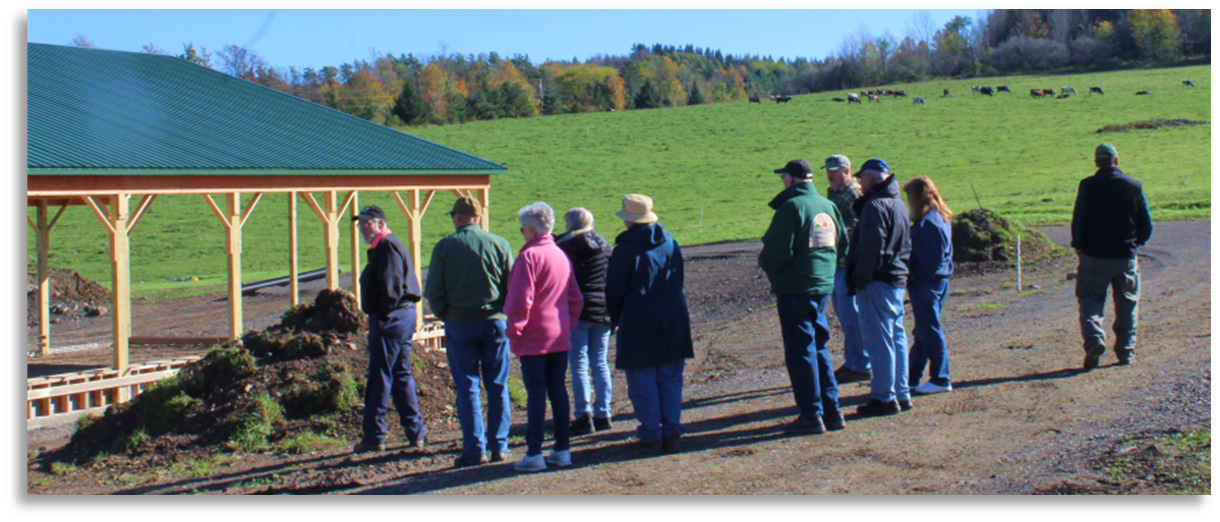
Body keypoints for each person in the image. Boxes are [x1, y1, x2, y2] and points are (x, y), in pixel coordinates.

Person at [758, 160, 850, 434]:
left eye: (783, 177)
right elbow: (842, 245)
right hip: (822, 286)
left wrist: (772, 270)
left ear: (791, 179)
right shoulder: (827, 205)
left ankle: (811, 415)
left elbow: (774, 254)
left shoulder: (791, 208)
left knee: (801, 352)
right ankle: (832, 411)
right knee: (819, 347)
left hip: (795, 288)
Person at [423, 197, 515, 468]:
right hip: (495, 322)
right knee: (498, 385)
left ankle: (475, 449)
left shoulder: (445, 246)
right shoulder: (500, 244)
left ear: (458, 217)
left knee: (467, 388)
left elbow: (434, 292)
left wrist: (445, 314)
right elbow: (511, 284)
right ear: (478, 217)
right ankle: (499, 445)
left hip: (460, 322)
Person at [606, 194, 694, 456]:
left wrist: (616, 317)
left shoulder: (624, 250)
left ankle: (651, 435)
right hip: (673, 318)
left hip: (638, 320)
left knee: (642, 380)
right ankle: (672, 433)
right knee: (670, 378)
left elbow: (615, 290)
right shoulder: (670, 243)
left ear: (629, 220)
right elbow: (678, 280)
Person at [504, 202, 584, 472]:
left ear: (533, 229)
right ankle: (562, 448)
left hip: (534, 337)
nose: (521, 233)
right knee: (559, 390)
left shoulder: (528, 258)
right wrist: (568, 323)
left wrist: (515, 330)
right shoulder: (561, 255)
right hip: (559, 335)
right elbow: (576, 298)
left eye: (523, 229)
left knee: (536, 394)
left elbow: (519, 301)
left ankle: (534, 452)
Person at [351, 205, 426, 454]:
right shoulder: (384, 246)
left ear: (381, 224)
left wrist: (383, 316)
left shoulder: (386, 246)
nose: (363, 227)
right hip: (401, 315)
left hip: (391, 317)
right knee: (400, 373)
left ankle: (374, 435)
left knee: (380, 375)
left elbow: (391, 285)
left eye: (368, 223)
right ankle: (415, 433)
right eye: (360, 223)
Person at [1071, 143, 1153, 370]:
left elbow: (1079, 218)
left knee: (1090, 299)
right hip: (1125, 255)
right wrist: (1138, 242)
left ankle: (1095, 340)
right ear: (1117, 160)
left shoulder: (1087, 185)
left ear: (1097, 162)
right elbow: (1146, 223)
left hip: (1094, 256)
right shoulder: (1133, 185)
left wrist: (1078, 245)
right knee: (1127, 303)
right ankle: (1126, 353)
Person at [845, 159, 913, 418]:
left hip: (877, 282)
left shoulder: (874, 206)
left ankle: (884, 397)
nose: (859, 184)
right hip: (896, 279)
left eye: (862, 179)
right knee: (896, 336)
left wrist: (860, 278)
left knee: (879, 340)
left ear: (871, 179)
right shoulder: (898, 204)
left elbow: (872, 248)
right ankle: (900, 391)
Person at [555, 208, 616, 436]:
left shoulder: (564, 248)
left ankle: (583, 414)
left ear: (570, 223)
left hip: (577, 311)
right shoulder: (604, 246)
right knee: (600, 361)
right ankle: (604, 412)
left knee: (578, 362)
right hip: (602, 310)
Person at [903, 177, 955, 396]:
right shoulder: (940, 217)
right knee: (924, 331)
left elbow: (929, 263)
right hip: (937, 282)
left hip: (927, 284)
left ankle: (941, 378)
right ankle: (912, 377)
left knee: (929, 330)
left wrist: (912, 275)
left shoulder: (928, 224)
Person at [823, 154, 870, 385]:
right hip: (837, 262)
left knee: (851, 315)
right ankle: (854, 360)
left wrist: (833, 233)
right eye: (828, 170)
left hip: (846, 263)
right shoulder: (836, 193)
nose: (831, 174)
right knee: (844, 314)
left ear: (847, 170)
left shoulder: (852, 193)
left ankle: (860, 363)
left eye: (836, 169)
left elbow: (858, 226)